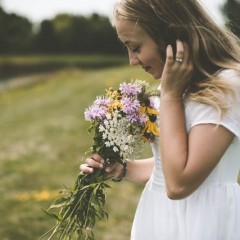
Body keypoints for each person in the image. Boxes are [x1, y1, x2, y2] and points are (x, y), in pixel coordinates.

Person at [80, 0, 240, 239]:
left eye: (135, 47)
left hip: (203, 222)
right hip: (159, 217)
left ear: (170, 36)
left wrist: (170, 95)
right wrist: (123, 169)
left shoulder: (225, 89)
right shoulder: (177, 88)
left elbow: (179, 184)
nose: (132, 60)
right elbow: (167, 166)